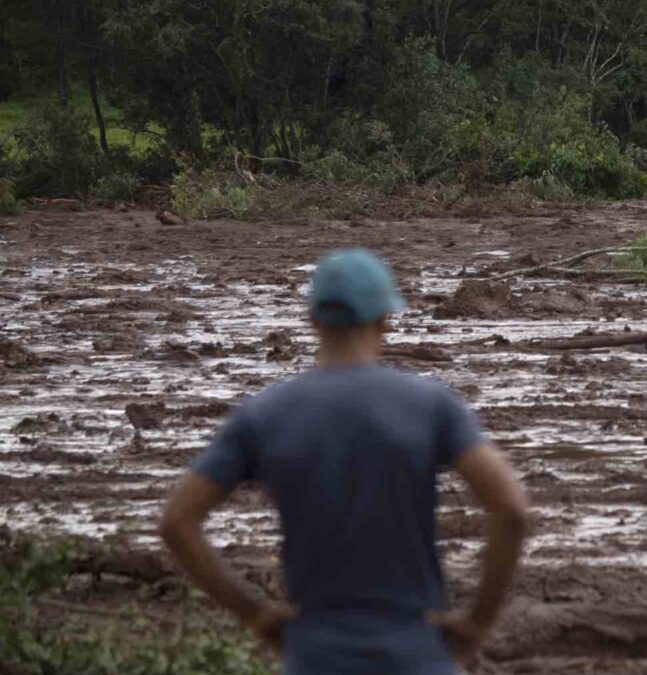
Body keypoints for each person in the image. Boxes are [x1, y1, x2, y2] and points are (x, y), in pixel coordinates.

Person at [159, 248, 530, 674]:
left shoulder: (263, 413)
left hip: (315, 655)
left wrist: (254, 613)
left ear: (314, 321)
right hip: (417, 651)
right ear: (384, 321)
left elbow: (177, 522)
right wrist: (478, 622)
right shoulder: (430, 405)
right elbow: (511, 510)